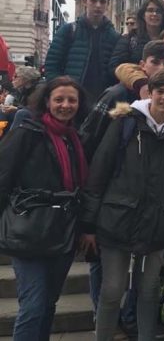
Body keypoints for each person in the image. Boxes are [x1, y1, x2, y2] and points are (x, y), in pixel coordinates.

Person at [79, 69, 164, 341]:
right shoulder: (126, 123)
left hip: (156, 221)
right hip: (117, 218)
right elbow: (100, 171)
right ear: (150, 93)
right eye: (161, 92)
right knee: (111, 290)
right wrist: (89, 222)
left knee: (148, 292)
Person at [0, 77, 88, 340]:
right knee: (34, 305)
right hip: (29, 230)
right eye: (59, 99)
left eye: (72, 99)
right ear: (47, 101)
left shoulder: (75, 137)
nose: (65, 105)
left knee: (48, 303)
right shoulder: (27, 131)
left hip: (61, 232)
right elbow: (4, 175)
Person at [79, 40, 164, 159]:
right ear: (142, 65)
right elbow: (90, 135)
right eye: (155, 62)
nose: (161, 68)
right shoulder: (117, 94)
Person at [45, 0, 120, 98]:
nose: (98, 5)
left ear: (108, 4)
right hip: (72, 97)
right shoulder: (68, 30)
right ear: (85, 2)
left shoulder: (114, 36)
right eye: (93, 1)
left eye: (102, 1)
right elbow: (52, 65)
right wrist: (59, 91)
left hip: (101, 98)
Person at [109, 0, 164, 74]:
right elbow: (115, 67)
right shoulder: (129, 39)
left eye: (158, 11)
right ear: (143, 15)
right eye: (150, 10)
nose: (154, 14)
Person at [4, 66, 42, 130]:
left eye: (16, 76)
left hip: (39, 116)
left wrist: (16, 108)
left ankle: (11, 138)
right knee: (5, 112)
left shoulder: (39, 88)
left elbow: (36, 108)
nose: (13, 79)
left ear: (25, 78)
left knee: (21, 113)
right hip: (30, 114)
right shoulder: (24, 89)